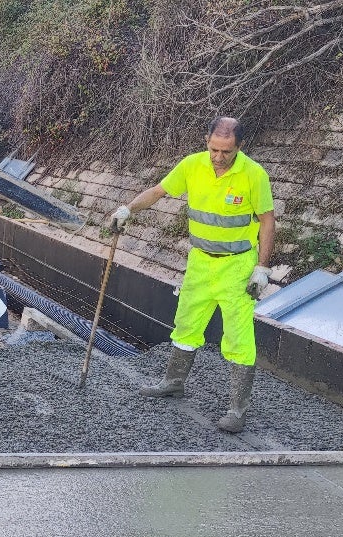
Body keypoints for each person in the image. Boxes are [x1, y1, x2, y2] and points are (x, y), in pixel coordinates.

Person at [109, 117, 276, 432]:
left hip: (237, 267)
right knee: (186, 324)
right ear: (207, 141)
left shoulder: (254, 175)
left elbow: (267, 221)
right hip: (200, 262)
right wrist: (127, 210)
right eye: (213, 148)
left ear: (239, 148)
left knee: (239, 338)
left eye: (226, 151)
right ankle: (173, 382)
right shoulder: (192, 165)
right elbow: (158, 191)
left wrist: (262, 268)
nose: (218, 156)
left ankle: (237, 411)